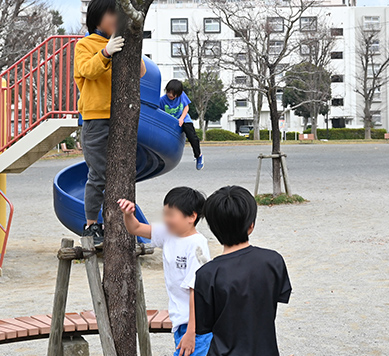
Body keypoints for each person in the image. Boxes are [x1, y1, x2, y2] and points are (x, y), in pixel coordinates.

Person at [74, 0, 145, 245]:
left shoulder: (119, 42)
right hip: (95, 119)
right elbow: (88, 71)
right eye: (111, 14)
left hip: (119, 118)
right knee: (99, 174)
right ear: (97, 18)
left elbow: (141, 72)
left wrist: (132, 50)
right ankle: (91, 225)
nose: (116, 18)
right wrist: (105, 52)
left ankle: (119, 222)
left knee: (121, 171)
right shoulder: (85, 45)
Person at [193, 186, 291, 356]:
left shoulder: (206, 274)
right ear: (251, 225)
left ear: (214, 229)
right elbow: (276, 296)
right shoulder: (273, 261)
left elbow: (203, 327)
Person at [117, 188, 212, 356]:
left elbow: (196, 290)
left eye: (171, 214)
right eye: (165, 213)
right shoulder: (168, 233)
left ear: (192, 217)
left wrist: (191, 331)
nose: (166, 219)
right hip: (180, 322)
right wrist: (128, 214)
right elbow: (136, 228)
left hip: (196, 325)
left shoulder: (197, 244)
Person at [160, 79, 204, 170]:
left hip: (183, 118)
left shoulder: (182, 96)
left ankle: (198, 155)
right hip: (171, 122)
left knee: (193, 137)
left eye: (173, 94)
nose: (170, 95)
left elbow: (186, 107)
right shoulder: (162, 100)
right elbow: (160, 114)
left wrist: (181, 118)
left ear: (179, 93)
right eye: (169, 92)